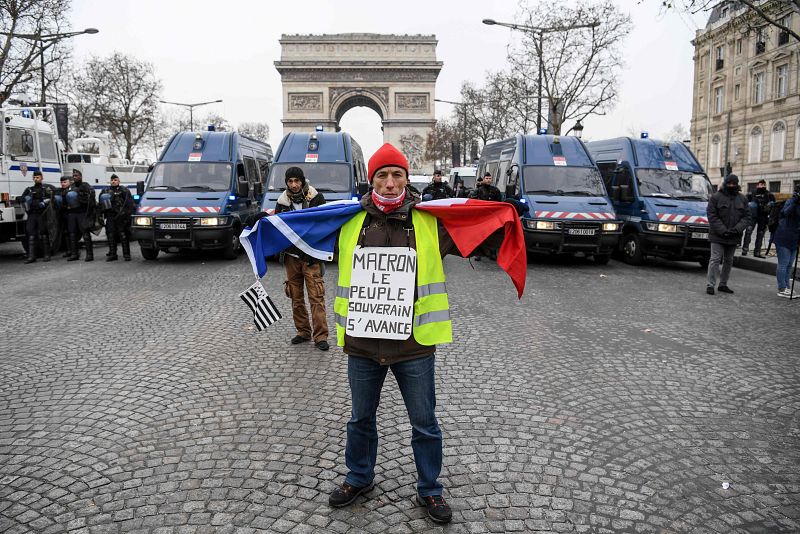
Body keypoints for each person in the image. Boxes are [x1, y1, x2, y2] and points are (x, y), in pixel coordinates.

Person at [326, 143, 508, 524]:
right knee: (360, 419)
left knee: (424, 422)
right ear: (371, 179)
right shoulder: (347, 221)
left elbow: (477, 236)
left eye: (397, 176)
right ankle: (358, 477)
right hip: (363, 343)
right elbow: (304, 234)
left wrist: (501, 214)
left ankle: (430, 488)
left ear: (407, 180)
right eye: (382, 176)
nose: (390, 183)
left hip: (414, 343)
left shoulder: (431, 221)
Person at [274, 167, 329, 351]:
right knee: (295, 297)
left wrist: (316, 250)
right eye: (290, 181)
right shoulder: (282, 202)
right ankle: (303, 331)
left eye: (297, 181)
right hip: (291, 257)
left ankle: (321, 336)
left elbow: (323, 226)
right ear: (286, 183)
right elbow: (278, 227)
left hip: (311, 255)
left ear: (303, 181)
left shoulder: (316, 198)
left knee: (316, 296)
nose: (294, 185)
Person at [706, 174, 751, 295]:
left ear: (737, 184)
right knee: (715, 259)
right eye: (729, 183)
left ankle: (723, 284)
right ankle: (710, 284)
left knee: (728, 260)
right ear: (725, 183)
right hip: (717, 235)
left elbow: (746, 217)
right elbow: (712, 215)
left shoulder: (743, 199)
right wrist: (723, 230)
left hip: (734, 235)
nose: (731, 186)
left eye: (734, 184)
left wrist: (736, 229)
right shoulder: (716, 197)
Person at [20, 171, 56, 263]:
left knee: (44, 234)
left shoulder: (45, 189)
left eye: (38, 177)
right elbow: (22, 198)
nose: (36, 179)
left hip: (42, 214)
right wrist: (26, 200)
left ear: (42, 178)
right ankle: (32, 256)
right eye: (34, 177)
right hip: (32, 214)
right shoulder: (29, 189)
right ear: (33, 178)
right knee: (31, 234)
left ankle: (47, 254)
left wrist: (44, 202)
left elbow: (51, 198)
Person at [99, 174, 135, 261]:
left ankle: (126, 254)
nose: (113, 181)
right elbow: (100, 203)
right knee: (111, 235)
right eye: (112, 180)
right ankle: (113, 254)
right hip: (110, 215)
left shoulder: (124, 190)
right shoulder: (105, 191)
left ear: (119, 181)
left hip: (121, 216)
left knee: (123, 235)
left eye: (115, 180)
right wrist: (101, 214)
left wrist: (127, 215)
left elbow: (130, 204)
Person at [773, 186, 800, 298]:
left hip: (795, 238)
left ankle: (787, 287)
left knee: (789, 265)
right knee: (783, 264)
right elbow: (785, 212)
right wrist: (795, 201)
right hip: (784, 236)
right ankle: (782, 288)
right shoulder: (790, 201)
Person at [65, 169, 96, 262]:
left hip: (82, 212)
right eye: (73, 176)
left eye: (76, 176)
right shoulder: (71, 187)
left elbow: (91, 197)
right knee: (72, 234)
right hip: (73, 213)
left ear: (80, 176)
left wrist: (82, 197)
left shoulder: (86, 186)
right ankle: (75, 254)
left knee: (85, 234)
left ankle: (89, 254)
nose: (75, 177)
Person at [742, 179, 775, 257]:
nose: (762, 186)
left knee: (760, 234)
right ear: (757, 185)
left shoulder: (769, 194)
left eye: (764, 185)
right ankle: (745, 249)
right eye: (761, 184)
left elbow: (773, 204)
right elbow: (745, 203)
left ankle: (757, 252)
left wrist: (769, 205)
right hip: (753, 216)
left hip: (763, 216)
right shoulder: (752, 193)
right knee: (748, 231)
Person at [56, 175, 72, 257]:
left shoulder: (73, 190)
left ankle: (74, 251)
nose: (63, 184)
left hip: (72, 214)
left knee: (72, 232)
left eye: (65, 182)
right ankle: (69, 250)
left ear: (70, 182)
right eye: (61, 182)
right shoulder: (59, 191)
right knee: (66, 232)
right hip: (63, 214)